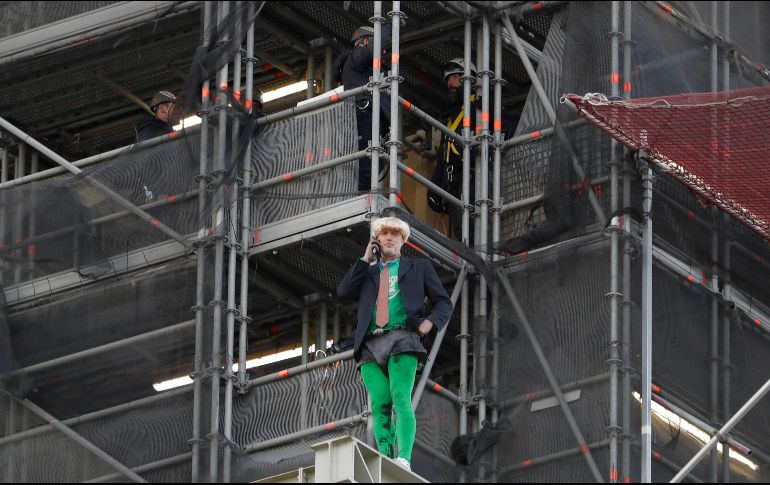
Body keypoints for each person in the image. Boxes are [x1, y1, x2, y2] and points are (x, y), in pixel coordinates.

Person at [337, 217, 452, 471]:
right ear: (378, 240)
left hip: (403, 338)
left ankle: (404, 458)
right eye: (384, 233)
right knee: (379, 403)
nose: (389, 237)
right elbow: (343, 292)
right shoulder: (367, 272)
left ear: (402, 240)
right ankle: (385, 461)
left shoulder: (418, 267)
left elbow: (444, 302)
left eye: (394, 234)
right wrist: (365, 258)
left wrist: (429, 323)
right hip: (369, 344)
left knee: (400, 395)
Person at [333, 26, 392, 191]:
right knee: (367, 165)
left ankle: (363, 198)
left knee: (374, 162)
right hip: (362, 113)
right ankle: (361, 200)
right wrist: (389, 26)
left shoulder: (366, 68)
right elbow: (373, 49)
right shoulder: (356, 57)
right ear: (365, 41)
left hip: (369, 117)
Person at [428, 58, 478, 239]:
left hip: (474, 178)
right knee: (459, 229)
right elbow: (444, 157)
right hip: (454, 184)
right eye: (448, 79)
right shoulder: (451, 119)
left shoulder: (480, 106)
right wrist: (434, 189)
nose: (450, 83)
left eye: (455, 77)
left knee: (471, 229)